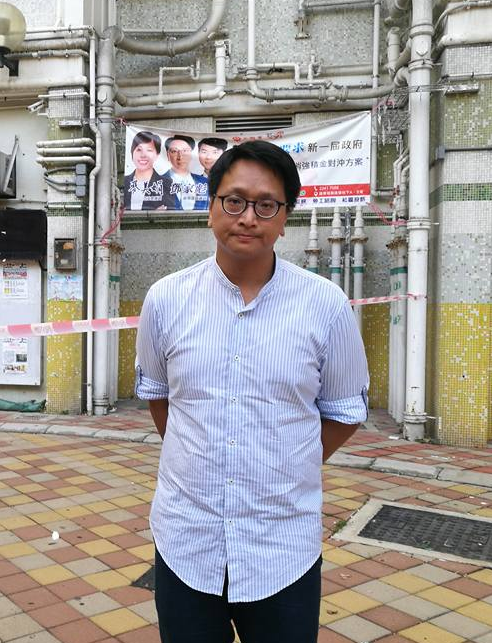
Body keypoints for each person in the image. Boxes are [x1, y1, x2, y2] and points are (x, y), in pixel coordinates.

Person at [135, 140, 369, 643]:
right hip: (186, 539)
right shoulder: (166, 300)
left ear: (285, 219)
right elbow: (158, 394)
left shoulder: (325, 305)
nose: (247, 217)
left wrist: (287, 464)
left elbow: (345, 410)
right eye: (234, 200)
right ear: (211, 207)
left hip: (282, 547)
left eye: (266, 205)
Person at [123, 131, 177, 211]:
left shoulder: (166, 184)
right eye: (139, 149)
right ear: (132, 152)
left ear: (157, 155)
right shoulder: (124, 182)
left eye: (149, 150)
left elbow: (171, 212)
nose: (143, 155)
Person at [164, 135, 209, 210]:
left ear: (191, 154)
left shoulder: (205, 182)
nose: (180, 157)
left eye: (185, 151)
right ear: (168, 155)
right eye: (174, 151)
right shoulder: (157, 182)